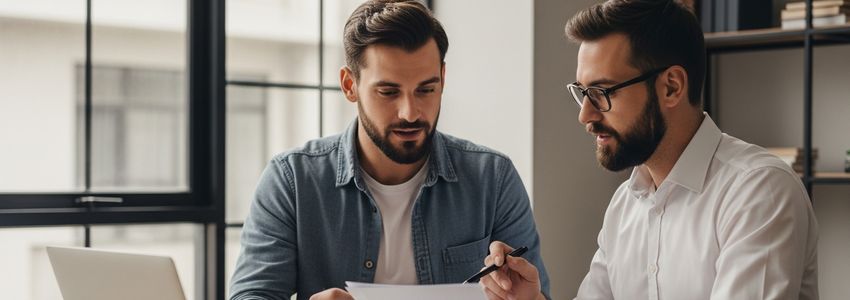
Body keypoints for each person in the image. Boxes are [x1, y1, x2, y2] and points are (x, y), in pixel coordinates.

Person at [479, 0, 818, 299]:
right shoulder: (626, 204)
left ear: (671, 87)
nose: (585, 114)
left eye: (602, 92)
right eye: (582, 92)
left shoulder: (759, 191)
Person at [229, 1, 550, 299]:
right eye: (388, 91)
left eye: (426, 89)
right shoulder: (292, 181)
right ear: (349, 85)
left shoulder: (493, 179)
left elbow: (535, 293)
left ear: (443, 78)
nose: (410, 112)